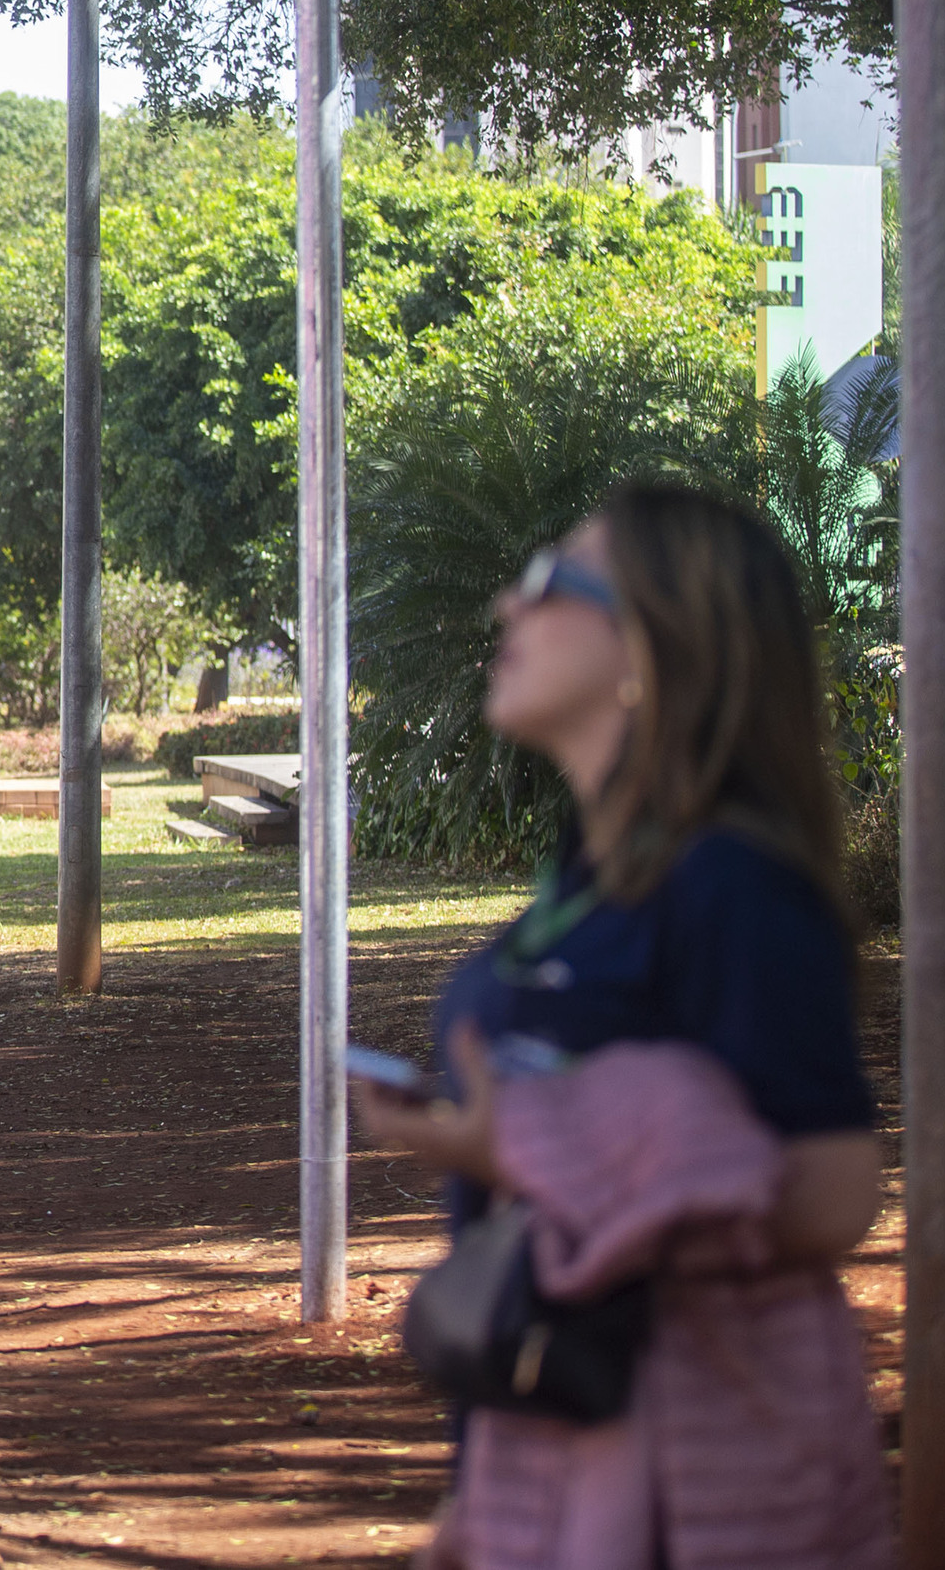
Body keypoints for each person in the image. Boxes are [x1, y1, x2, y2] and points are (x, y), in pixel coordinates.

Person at [356, 484, 889, 1570]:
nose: (507, 604)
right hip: (550, 1448)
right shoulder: (583, 882)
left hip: (700, 1479)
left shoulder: (734, 888)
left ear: (651, 650)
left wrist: (524, 1147)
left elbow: (834, 1188)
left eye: (551, 581)